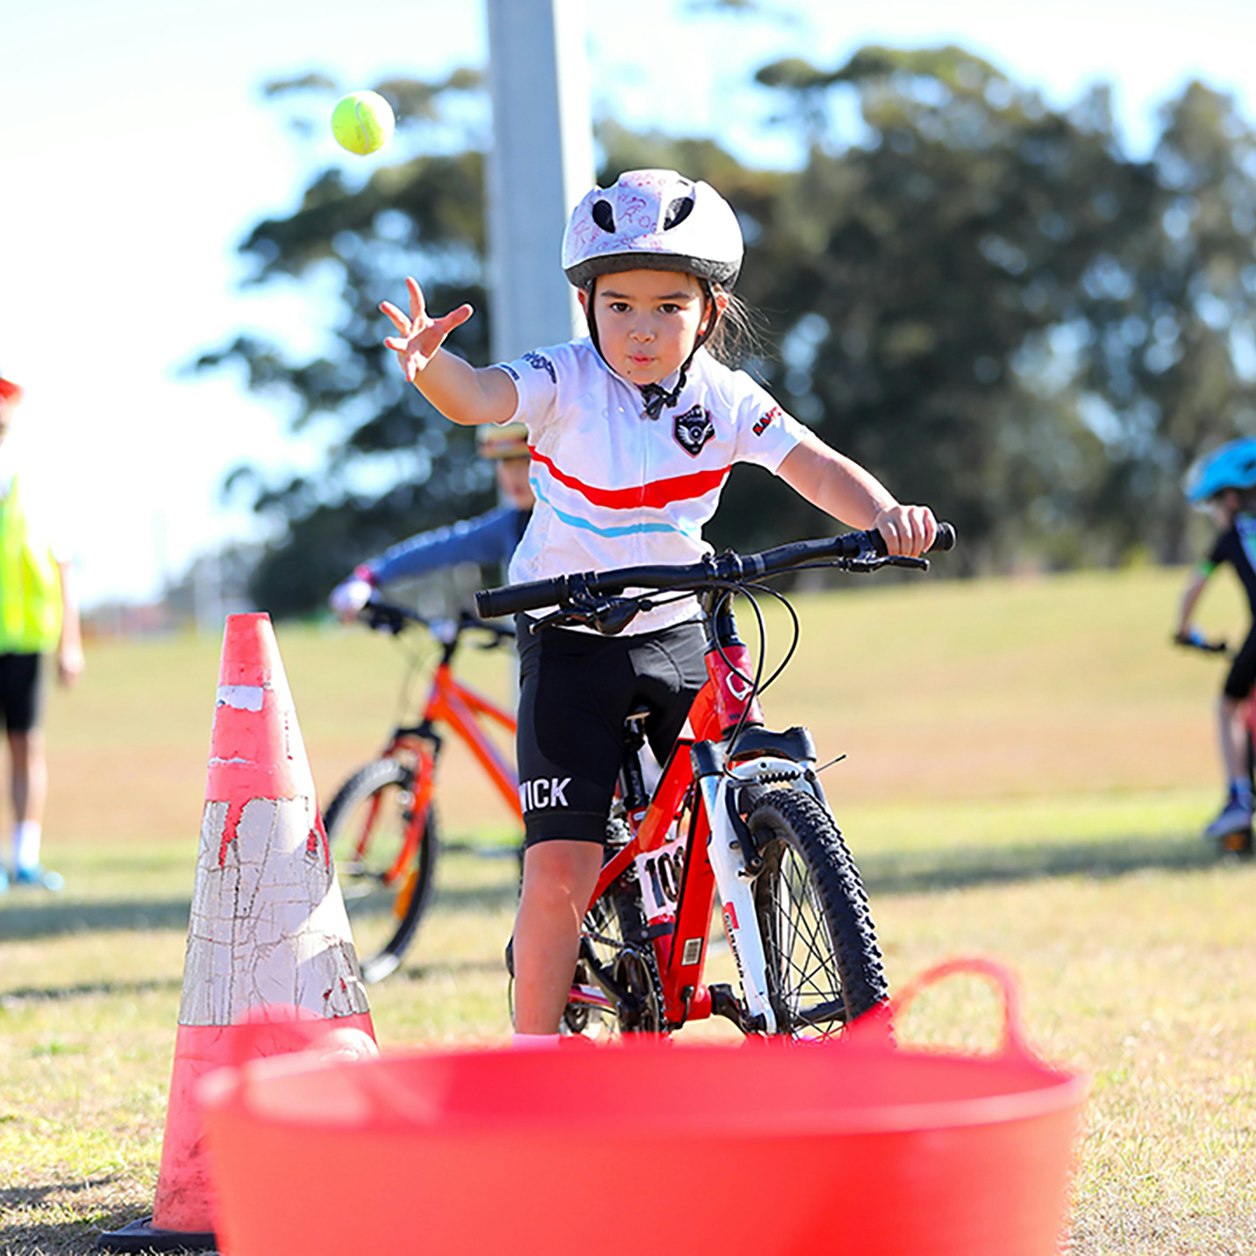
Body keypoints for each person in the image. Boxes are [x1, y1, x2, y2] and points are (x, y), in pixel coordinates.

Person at [379, 168, 938, 1045]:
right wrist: (429, 368)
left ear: (708, 313)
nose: (643, 329)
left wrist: (887, 516)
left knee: (740, 778)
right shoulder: (563, 381)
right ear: (588, 306)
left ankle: (738, 917)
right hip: (570, 634)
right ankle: (532, 1068)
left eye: (669, 306)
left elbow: (817, 466)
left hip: (682, 621)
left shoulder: (725, 397)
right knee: (561, 868)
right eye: (621, 306)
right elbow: (481, 395)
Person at [0, 372, 84, 892]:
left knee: (26, 746)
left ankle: (23, 857)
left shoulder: (35, 481)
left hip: (27, 640)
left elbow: (63, 566)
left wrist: (69, 643)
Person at [328, 421, 534, 619]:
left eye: (526, 460)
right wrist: (368, 577)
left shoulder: (564, 519)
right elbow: (443, 546)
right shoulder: (511, 524)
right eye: (506, 462)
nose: (514, 475)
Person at [1175, 436, 1256, 841]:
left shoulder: (1233, 536)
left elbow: (1193, 587)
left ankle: (1239, 799)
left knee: (1228, 708)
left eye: (1214, 504)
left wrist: (1183, 628)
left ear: (1232, 500)